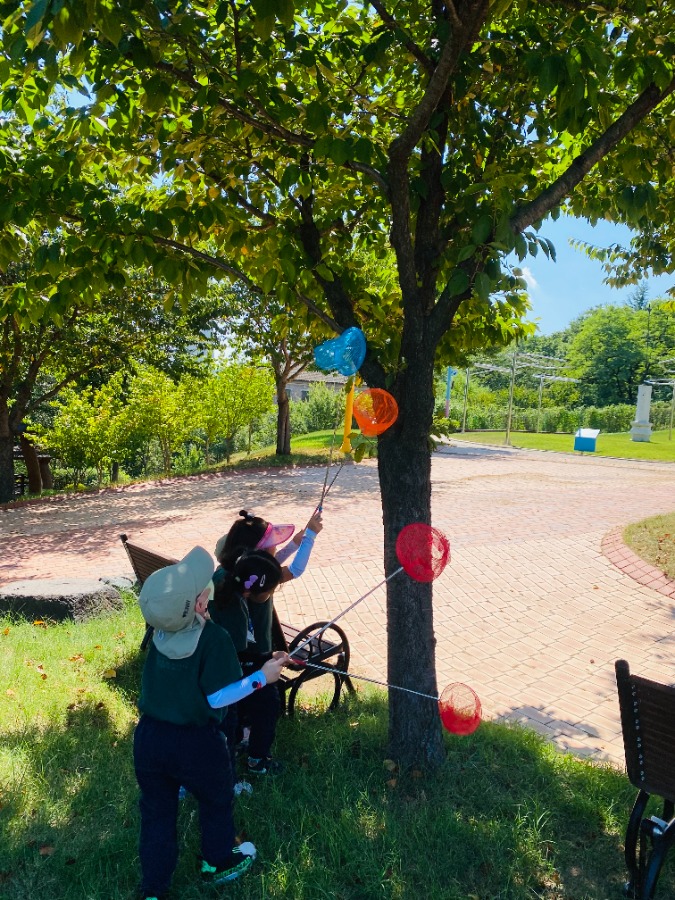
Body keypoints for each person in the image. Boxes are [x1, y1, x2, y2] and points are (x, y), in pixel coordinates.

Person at [134, 545, 288, 900]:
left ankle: (153, 889)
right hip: (197, 743)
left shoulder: (160, 631)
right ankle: (218, 862)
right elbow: (218, 697)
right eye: (202, 588)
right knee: (216, 800)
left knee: (157, 813)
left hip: (149, 740)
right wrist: (262, 677)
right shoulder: (214, 638)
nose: (209, 586)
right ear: (201, 606)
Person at [211, 510, 323, 776]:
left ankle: (241, 739)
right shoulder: (241, 589)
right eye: (271, 544)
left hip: (240, 656)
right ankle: (256, 758)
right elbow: (294, 569)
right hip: (244, 659)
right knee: (266, 702)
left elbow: (277, 562)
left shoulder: (236, 572)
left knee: (243, 706)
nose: (277, 547)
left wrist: (302, 538)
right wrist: (309, 538)